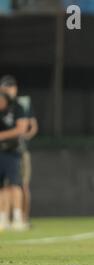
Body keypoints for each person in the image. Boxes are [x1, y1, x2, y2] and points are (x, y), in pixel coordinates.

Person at [0, 75, 38, 228]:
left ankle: (21, 217)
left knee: (21, 184)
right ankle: (5, 218)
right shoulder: (2, 106)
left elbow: (31, 127)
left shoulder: (21, 104)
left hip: (17, 149)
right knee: (4, 186)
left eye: (9, 87)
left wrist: (20, 136)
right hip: (3, 151)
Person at [0, 92, 28, 231]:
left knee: (15, 184)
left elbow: (21, 129)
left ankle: (17, 218)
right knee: (2, 187)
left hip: (12, 152)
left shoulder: (17, 107)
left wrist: (2, 136)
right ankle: (2, 218)